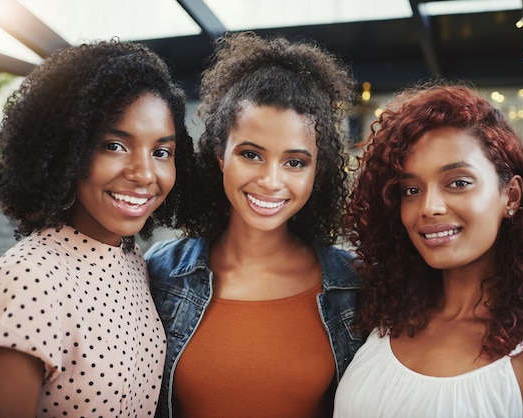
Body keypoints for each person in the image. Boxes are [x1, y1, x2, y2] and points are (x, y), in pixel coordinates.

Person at [0, 39, 195, 417]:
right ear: (66, 151)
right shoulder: (29, 277)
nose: (144, 173)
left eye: (161, 152)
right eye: (114, 145)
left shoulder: (132, 259)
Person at [333, 82, 523, 417]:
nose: (429, 207)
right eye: (411, 189)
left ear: (510, 196)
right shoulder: (374, 316)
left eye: (458, 183)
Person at [145, 31, 362, 418]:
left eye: (295, 162)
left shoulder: (353, 283)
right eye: (251, 154)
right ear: (219, 155)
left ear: (317, 170)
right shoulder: (160, 272)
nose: (271, 181)